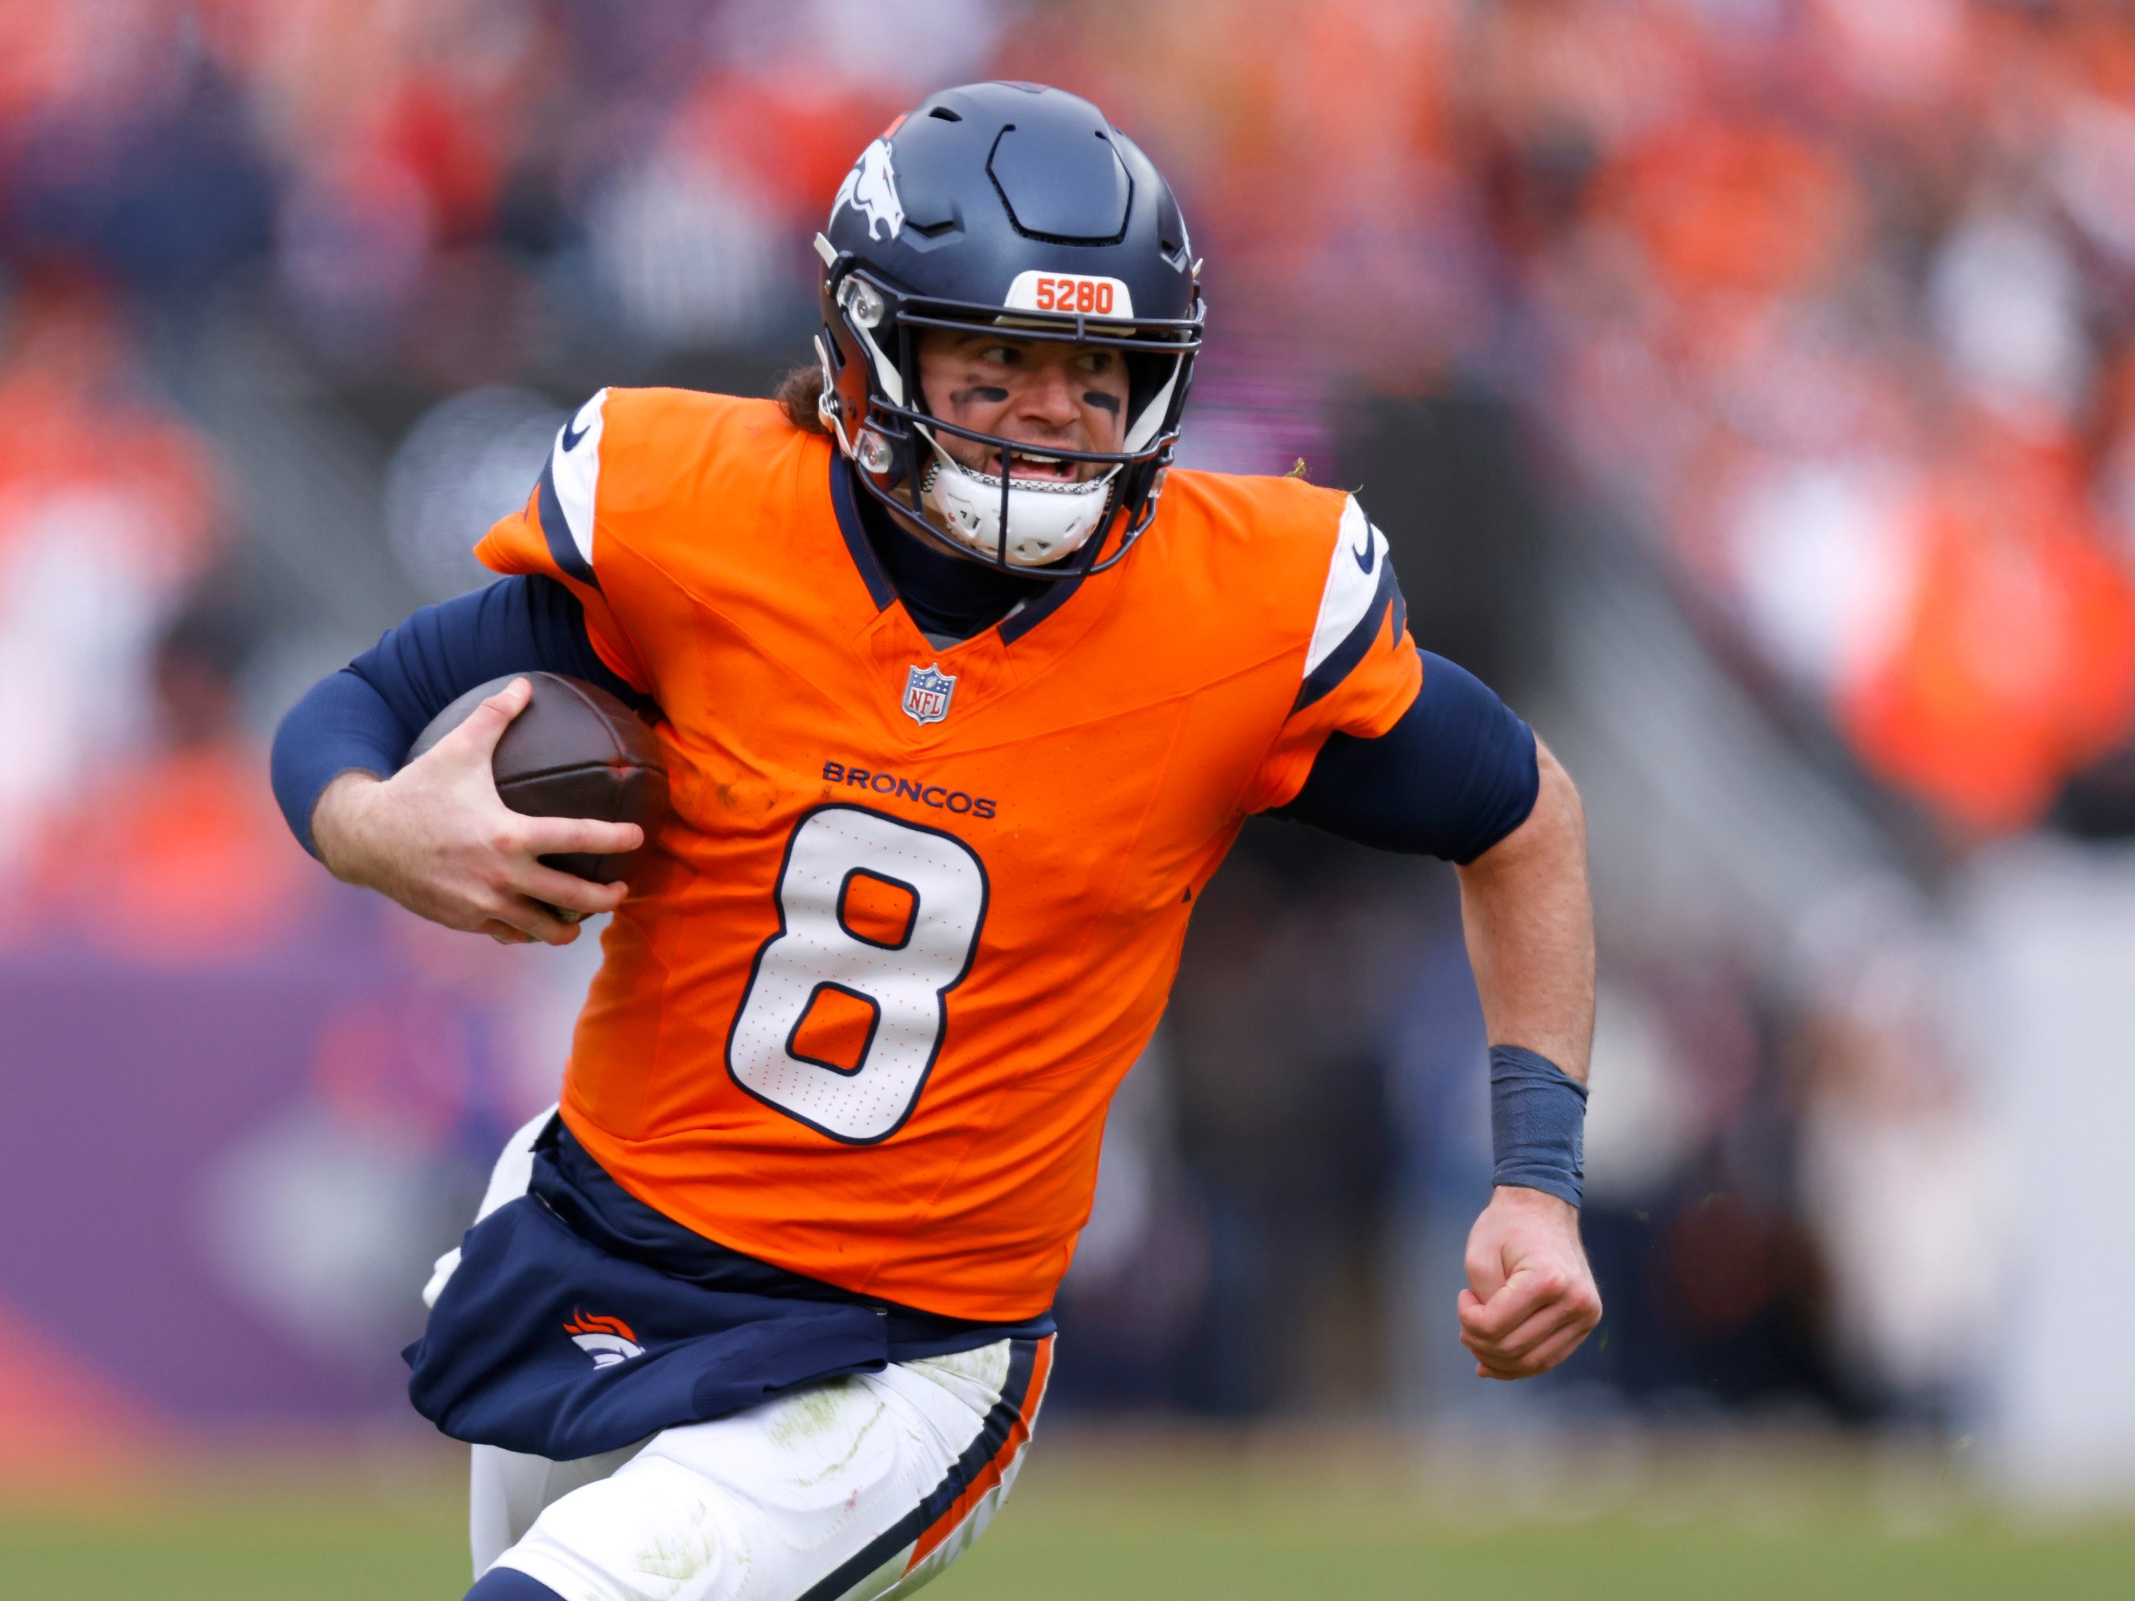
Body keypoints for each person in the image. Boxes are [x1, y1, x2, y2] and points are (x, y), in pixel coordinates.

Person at [272, 81, 1599, 1601]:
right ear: (866, 353)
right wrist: (378, 828)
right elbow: (363, 701)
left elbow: (1523, 814)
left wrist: (1536, 1179)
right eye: (1002, 366)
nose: (1056, 414)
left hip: (898, 1350)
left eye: (1100, 376)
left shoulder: (1240, 614)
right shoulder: (700, 519)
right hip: (604, 1234)